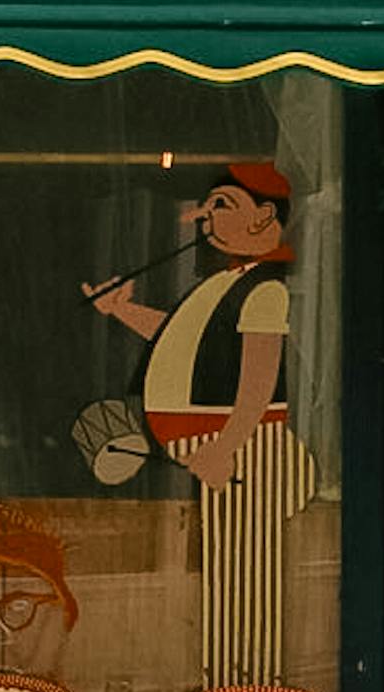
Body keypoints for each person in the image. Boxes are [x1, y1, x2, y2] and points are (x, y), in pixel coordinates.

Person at [85, 161, 297, 500]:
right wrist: (120, 309)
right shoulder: (228, 281)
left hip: (236, 450)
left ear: (263, 215)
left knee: (241, 540)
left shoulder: (265, 290)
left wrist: (226, 446)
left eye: (222, 204)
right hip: (208, 446)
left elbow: (259, 381)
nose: (204, 216)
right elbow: (181, 338)